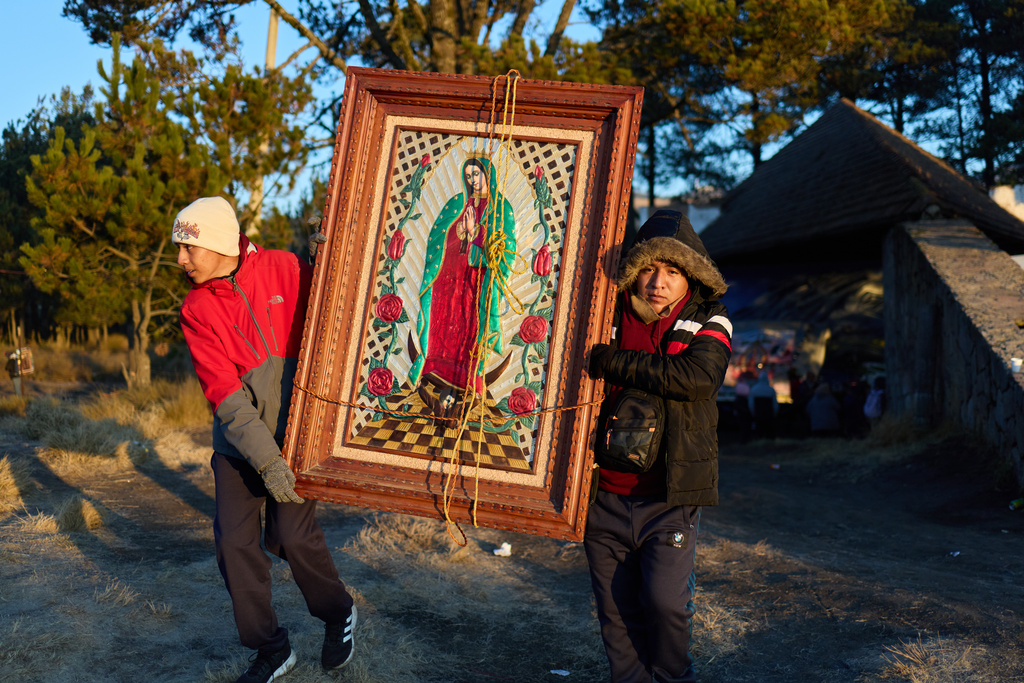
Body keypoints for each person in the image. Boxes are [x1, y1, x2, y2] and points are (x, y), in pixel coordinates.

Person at [172, 196, 356, 683]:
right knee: (234, 545)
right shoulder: (196, 308)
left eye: (188, 248)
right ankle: (272, 649)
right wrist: (267, 463)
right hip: (238, 446)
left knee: (292, 537)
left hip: (298, 435)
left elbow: (340, 302)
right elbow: (227, 398)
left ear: (217, 242)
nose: (180, 260)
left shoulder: (284, 267)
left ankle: (338, 613)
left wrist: (332, 252)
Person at [586, 209, 732, 683]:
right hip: (602, 492)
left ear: (689, 274)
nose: (658, 281)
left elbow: (697, 378)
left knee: (666, 604)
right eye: (648, 268)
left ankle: (673, 678)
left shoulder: (711, 317)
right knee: (616, 612)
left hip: (667, 495)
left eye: (672, 271)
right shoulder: (601, 312)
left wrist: (612, 361)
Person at [409, 156, 517, 396]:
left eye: (476, 174)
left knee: (470, 326)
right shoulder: (459, 202)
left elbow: (505, 251)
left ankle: (470, 375)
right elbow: (438, 237)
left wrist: (475, 232)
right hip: (451, 276)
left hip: (477, 281)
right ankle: (434, 365)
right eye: (468, 176)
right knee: (444, 323)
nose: (472, 180)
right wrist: (458, 231)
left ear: (488, 175)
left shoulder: (501, 208)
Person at [748, 370, 779, 439]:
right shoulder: (771, 390)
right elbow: (775, 405)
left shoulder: (754, 390)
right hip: (769, 416)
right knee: (769, 435)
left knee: (759, 434)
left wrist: (753, 414)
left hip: (758, 416)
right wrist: (774, 414)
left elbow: (751, 404)